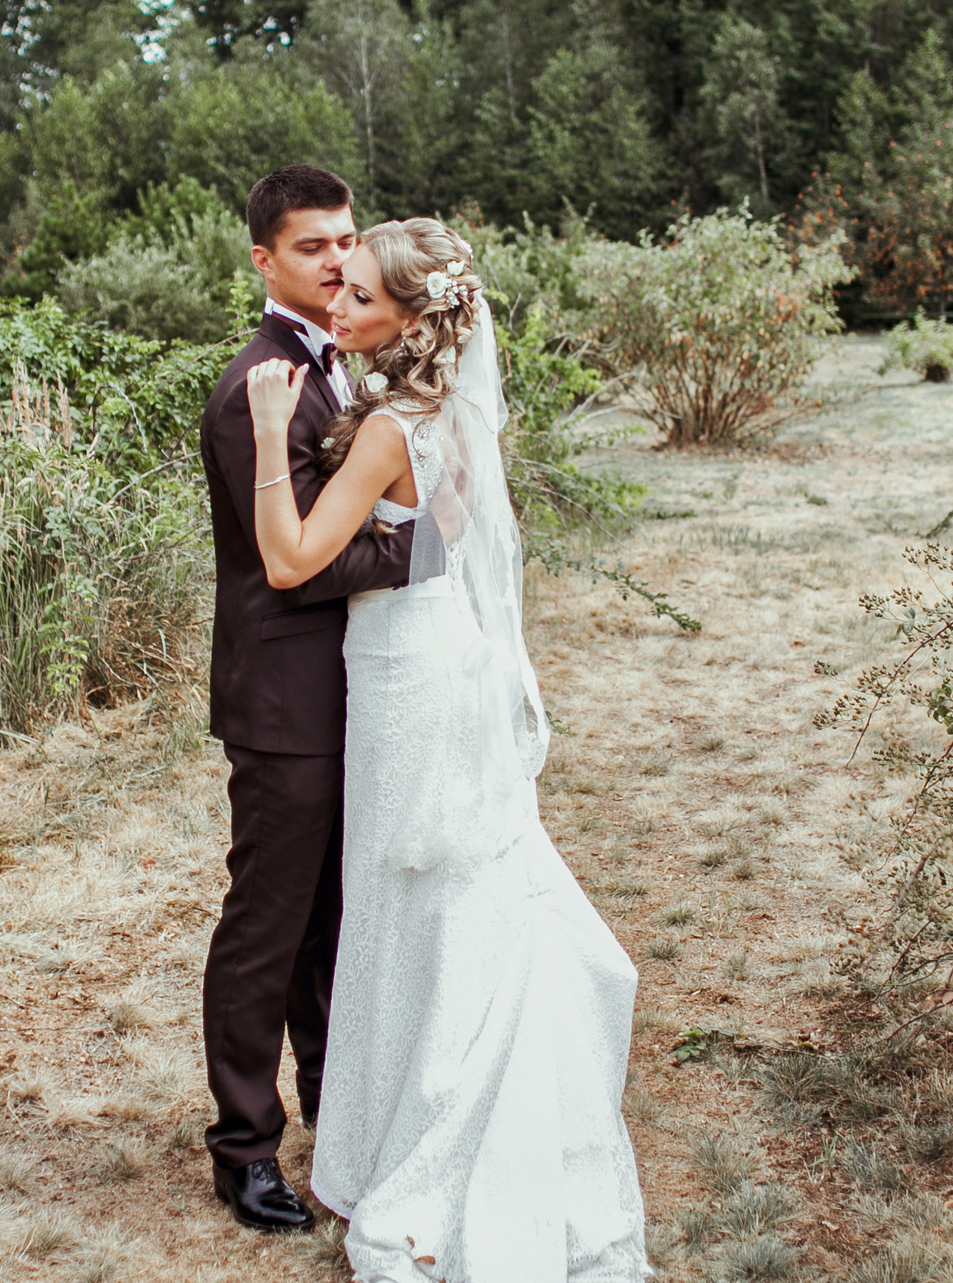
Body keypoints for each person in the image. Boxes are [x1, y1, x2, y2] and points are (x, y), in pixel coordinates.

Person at [245, 217, 648, 1282]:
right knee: (448, 892)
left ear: (412, 320)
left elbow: (289, 560)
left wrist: (269, 434)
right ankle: (419, 1105)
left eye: (361, 296)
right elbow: (450, 538)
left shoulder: (390, 426)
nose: (338, 304)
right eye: (338, 287)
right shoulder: (458, 416)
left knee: (404, 902)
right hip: (446, 657)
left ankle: (424, 1131)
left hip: (403, 678)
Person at [198, 165, 417, 1233]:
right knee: (267, 926)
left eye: (344, 241)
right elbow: (288, 562)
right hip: (284, 702)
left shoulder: (340, 364)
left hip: (348, 688)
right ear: (264, 260)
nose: (336, 261)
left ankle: (336, 1108)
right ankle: (243, 1148)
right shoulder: (259, 385)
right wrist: (419, 546)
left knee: (333, 918)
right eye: (310, 246)